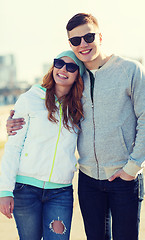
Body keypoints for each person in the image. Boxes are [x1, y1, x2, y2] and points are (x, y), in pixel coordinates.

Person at [6, 13, 145, 240]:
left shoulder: (130, 70)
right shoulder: (75, 78)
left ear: (100, 36)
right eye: (75, 40)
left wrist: (132, 168)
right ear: (70, 44)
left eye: (88, 37)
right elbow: (48, 106)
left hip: (124, 177)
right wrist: (15, 120)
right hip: (88, 180)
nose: (83, 44)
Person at [0, 50, 85, 240]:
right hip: (25, 189)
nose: (63, 69)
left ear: (78, 75)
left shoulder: (79, 107)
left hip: (60, 192)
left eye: (71, 67)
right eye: (59, 63)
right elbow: (13, 147)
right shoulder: (30, 99)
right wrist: (4, 190)